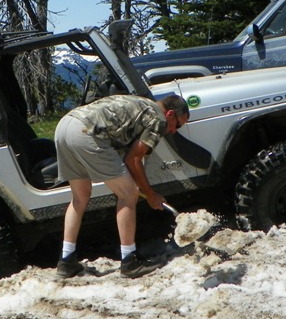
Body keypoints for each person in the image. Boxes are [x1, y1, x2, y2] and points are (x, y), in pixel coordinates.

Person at [54, 93, 190, 279]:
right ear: (170, 114)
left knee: (80, 197)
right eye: (178, 125)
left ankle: (66, 261)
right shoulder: (158, 119)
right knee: (128, 194)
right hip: (86, 133)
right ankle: (129, 262)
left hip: (65, 126)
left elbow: (130, 157)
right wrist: (150, 194)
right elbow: (133, 158)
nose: (174, 131)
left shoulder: (142, 104)